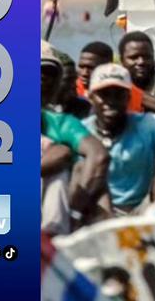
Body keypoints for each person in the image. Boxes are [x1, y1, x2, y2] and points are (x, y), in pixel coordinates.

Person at [42, 42, 109, 233]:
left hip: (49, 210)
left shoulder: (61, 123)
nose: (42, 81)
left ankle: (52, 238)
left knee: (63, 167)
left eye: (49, 76)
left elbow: (98, 155)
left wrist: (75, 211)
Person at [82, 64, 155, 217]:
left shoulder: (151, 125)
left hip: (144, 207)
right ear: (91, 97)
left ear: (128, 97)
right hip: (97, 208)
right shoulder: (81, 131)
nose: (111, 101)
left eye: (118, 94)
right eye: (104, 94)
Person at [118, 31, 155, 113]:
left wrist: (134, 93)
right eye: (133, 57)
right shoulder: (116, 81)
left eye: (147, 57)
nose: (141, 62)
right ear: (122, 60)